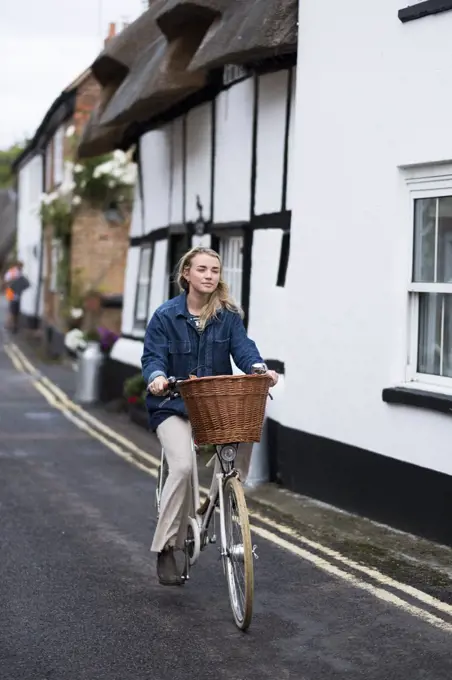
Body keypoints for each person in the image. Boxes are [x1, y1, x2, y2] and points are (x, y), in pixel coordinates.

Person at [141, 246, 278, 586]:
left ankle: (223, 495)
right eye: (201, 269)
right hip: (172, 405)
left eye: (214, 270)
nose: (209, 275)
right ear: (186, 274)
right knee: (184, 466)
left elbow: (244, 349)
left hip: (212, 405)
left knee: (243, 434)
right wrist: (157, 378)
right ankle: (168, 546)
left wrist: (258, 368)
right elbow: (152, 357)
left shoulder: (228, 315)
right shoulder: (165, 316)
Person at [3, 261, 25, 334]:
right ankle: (10, 325)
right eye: (21, 266)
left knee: (14, 310)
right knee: (12, 310)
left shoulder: (20, 272)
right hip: (12, 293)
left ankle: (10, 325)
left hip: (17, 294)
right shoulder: (12, 271)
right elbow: (6, 280)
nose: (22, 268)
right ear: (18, 265)